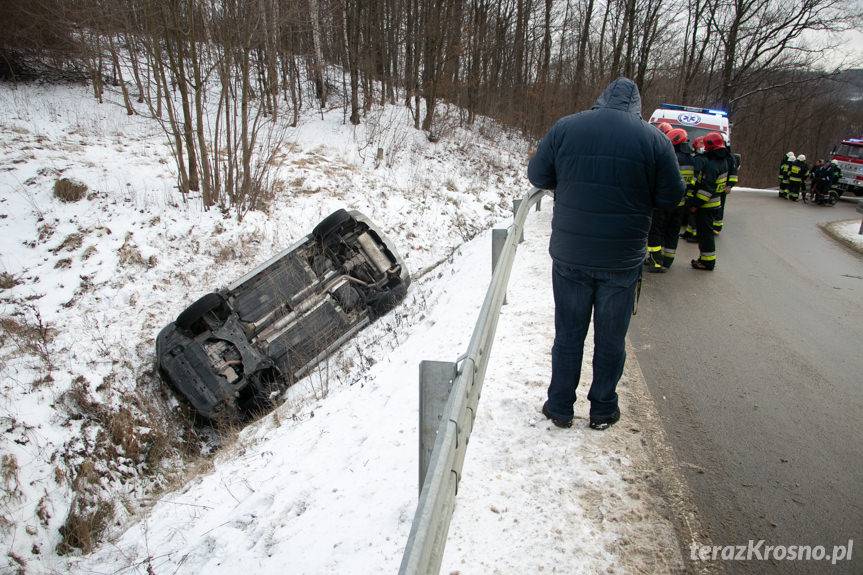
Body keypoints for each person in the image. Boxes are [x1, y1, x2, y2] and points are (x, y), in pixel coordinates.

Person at [528, 77, 685, 430]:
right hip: (622, 259)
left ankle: (559, 406)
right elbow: (672, 196)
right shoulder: (655, 140)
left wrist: (568, 182)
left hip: (571, 256)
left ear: (601, 98)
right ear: (637, 106)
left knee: (568, 334)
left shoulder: (566, 127)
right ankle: (602, 409)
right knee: (611, 338)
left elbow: (538, 174)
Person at [645, 127, 695, 271]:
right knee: (672, 232)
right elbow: (691, 182)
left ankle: (655, 261)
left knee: (656, 231)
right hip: (680, 204)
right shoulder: (692, 160)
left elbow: (660, 179)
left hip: (664, 204)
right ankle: (667, 260)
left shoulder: (671, 158)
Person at [688, 132, 728, 270]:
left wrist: (695, 204)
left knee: (705, 236)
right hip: (714, 204)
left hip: (706, 206)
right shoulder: (722, 162)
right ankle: (705, 259)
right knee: (706, 234)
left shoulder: (711, 166)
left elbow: (707, 189)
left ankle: (707, 262)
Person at [681, 136, 706, 242]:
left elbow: (695, 176)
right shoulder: (698, 158)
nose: (701, 146)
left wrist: (689, 188)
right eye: (700, 143)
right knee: (691, 213)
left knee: (693, 213)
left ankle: (696, 235)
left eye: (703, 144)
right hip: (695, 190)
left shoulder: (699, 159)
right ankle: (689, 232)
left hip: (694, 191)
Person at [712, 138, 738, 234]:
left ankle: (717, 227)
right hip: (713, 186)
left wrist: (729, 185)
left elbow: (733, 173)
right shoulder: (717, 155)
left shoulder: (730, 158)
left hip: (723, 187)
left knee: (719, 206)